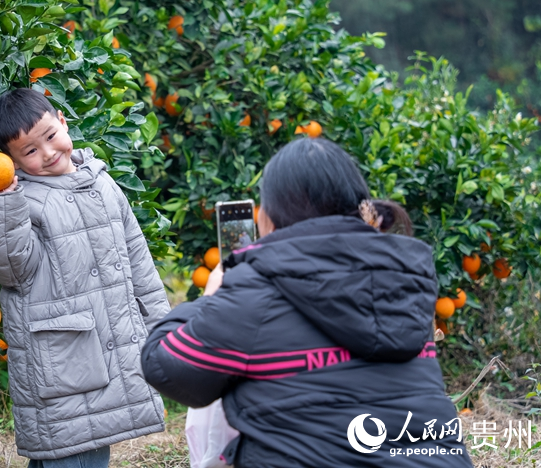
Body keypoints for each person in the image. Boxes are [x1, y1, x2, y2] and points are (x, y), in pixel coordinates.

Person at [141, 137, 472, 467]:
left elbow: (167, 367)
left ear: (272, 214)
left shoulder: (256, 287)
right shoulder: (403, 276)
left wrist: (212, 296)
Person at [0, 88, 170, 467]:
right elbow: (7, 268)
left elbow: (139, 265)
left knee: (75, 452)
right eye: (29, 151)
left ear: (62, 120)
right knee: (75, 451)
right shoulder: (20, 202)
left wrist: (162, 329)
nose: (47, 153)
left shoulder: (103, 183)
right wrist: (0, 204)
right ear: (10, 162)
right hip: (62, 365)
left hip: (112, 353)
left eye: (50, 136)